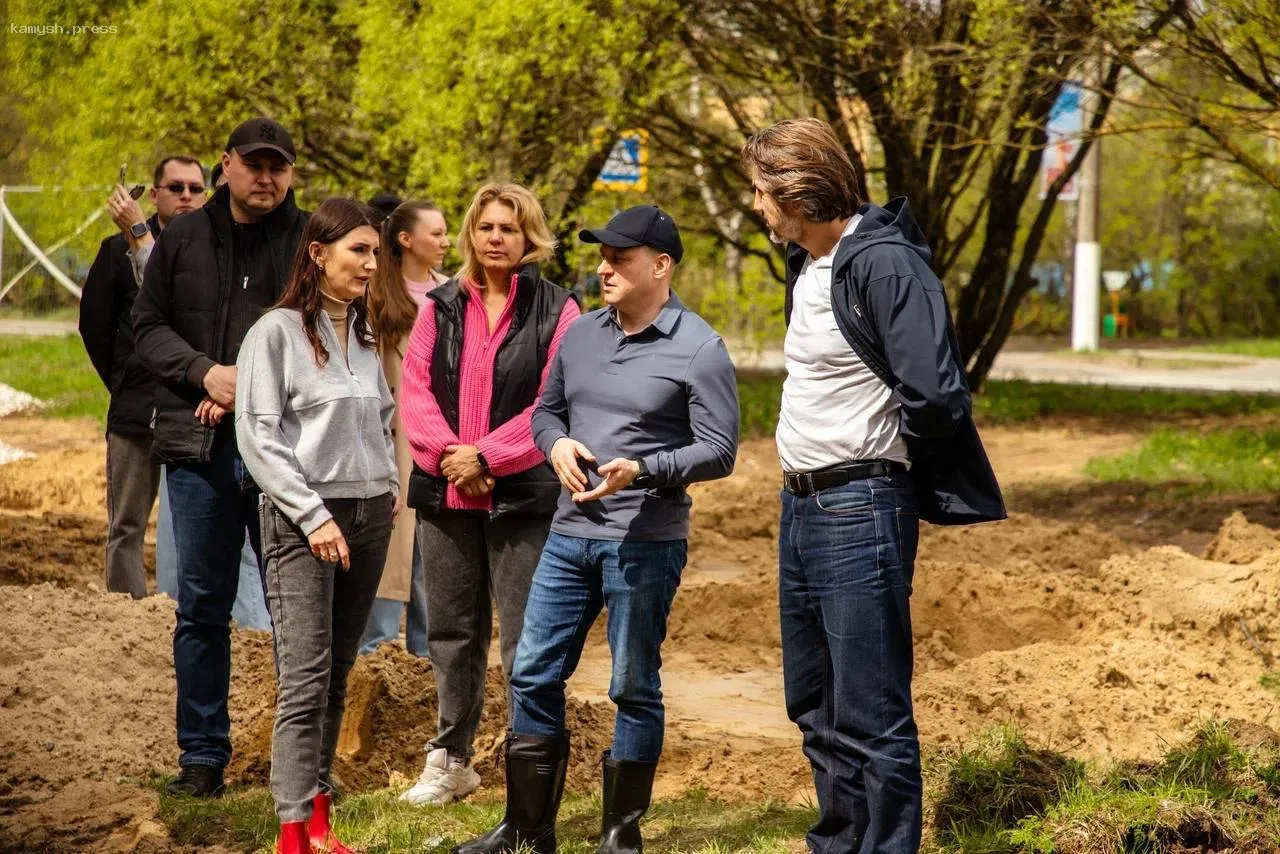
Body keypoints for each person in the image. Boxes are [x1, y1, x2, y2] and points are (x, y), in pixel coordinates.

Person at [740, 118, 1006, 853]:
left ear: (799, 191)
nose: (756, 206)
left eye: (761, 191)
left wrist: (882, 457)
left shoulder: (886, 265)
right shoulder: (808, 266)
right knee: (815, 703)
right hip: (801, 506)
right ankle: (839, 842)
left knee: (869, 707)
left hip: (859, 507)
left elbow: (938, 395)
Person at [455, 205, 739, 854]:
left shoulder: (699, 347)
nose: (604, 268)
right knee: (531, 671)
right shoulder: (581, 334)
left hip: (645, 542)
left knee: (632, 684)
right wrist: (554, 444)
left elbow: (720, 450)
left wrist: (643, 469)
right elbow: (546, 413)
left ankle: (619, 834)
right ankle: (528, 830)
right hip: (568, 536)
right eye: (603, 256)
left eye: (620, 258)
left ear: (660, 266)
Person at [133, 116, 309, 797]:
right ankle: (202, 757)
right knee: (202, 607)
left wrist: (250, 387)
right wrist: (204, 373)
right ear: (226, 164)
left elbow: (326, 335)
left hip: (286, 453)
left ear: (290, 173)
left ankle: (301, 762)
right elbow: (148, 327)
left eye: (277, 166)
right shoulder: (181, 238)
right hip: (198, 451)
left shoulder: (308, 242)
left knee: (295, 610)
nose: (265, 178)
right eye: (254, 164)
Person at [398, 183, 580, 806]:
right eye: (486, 227)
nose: (496, 238)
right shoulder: (439, 306)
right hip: (446, 495)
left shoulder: (559, 309)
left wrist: (488, 458)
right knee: (451, 632)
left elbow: (555, 400)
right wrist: (454, 459)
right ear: (471, 235)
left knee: (528, 637)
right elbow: (415, 391)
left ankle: (530, 765)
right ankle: (452, 760)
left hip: (522, 498)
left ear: (530, 237)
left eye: (509, 227)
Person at [236, 197, 397, 854]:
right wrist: (312, 516)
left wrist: (387, 486)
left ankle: (321, 824)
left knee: (336, 676)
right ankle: (291, 834)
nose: (371, 263)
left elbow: (382, 418)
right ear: (318, 253)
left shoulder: (365, 333)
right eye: (359, 250)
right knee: (304, 679)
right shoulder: (273, 333)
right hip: (304, 522)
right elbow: (259, 435)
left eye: (376, 252)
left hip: (369, 516)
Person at [80, 156, 204, 599]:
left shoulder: (211, 251)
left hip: (195, 410)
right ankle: (125, 611)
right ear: (154, 194)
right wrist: (124, 380)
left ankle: (187, 608)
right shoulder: (117, 251)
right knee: (127, 524)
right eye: (176, 187)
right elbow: (94, 325)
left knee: (196, 524)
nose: (186, 196)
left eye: (195, 188)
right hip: (136, 411)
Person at [361, 200, 451, 657]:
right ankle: (372, 662)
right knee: (386, 560)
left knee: (432, 564)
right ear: (405, 239)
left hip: (443, 447)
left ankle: (429, 671)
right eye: (436, 233)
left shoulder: (453, 295)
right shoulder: (375, 295)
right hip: (391, 446)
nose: (446, 241)